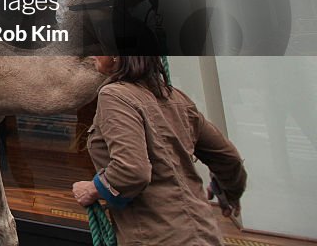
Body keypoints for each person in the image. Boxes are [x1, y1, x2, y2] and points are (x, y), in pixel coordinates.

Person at [72, 55, 247, 245]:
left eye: (100, 47)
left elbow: (132, 171)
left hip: (156, 236)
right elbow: (229, 159)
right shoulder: (176, 97)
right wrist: (230, 190)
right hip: (203, 232)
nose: (93, 54)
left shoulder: (113, 95)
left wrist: (92, 189)